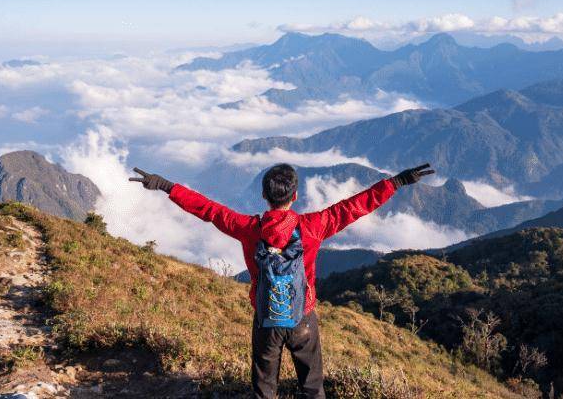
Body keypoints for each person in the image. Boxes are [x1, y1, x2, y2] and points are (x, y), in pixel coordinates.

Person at [129, 162, 434, 399]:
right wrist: (395, 183)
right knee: (313, 388)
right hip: (302, 319)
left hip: (265, 321)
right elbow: (354, 207)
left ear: (264, 196)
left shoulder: (248, 227)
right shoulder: (314, 226)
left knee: (264, 389)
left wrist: (167, 185)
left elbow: (208, 210)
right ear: (295, 196)